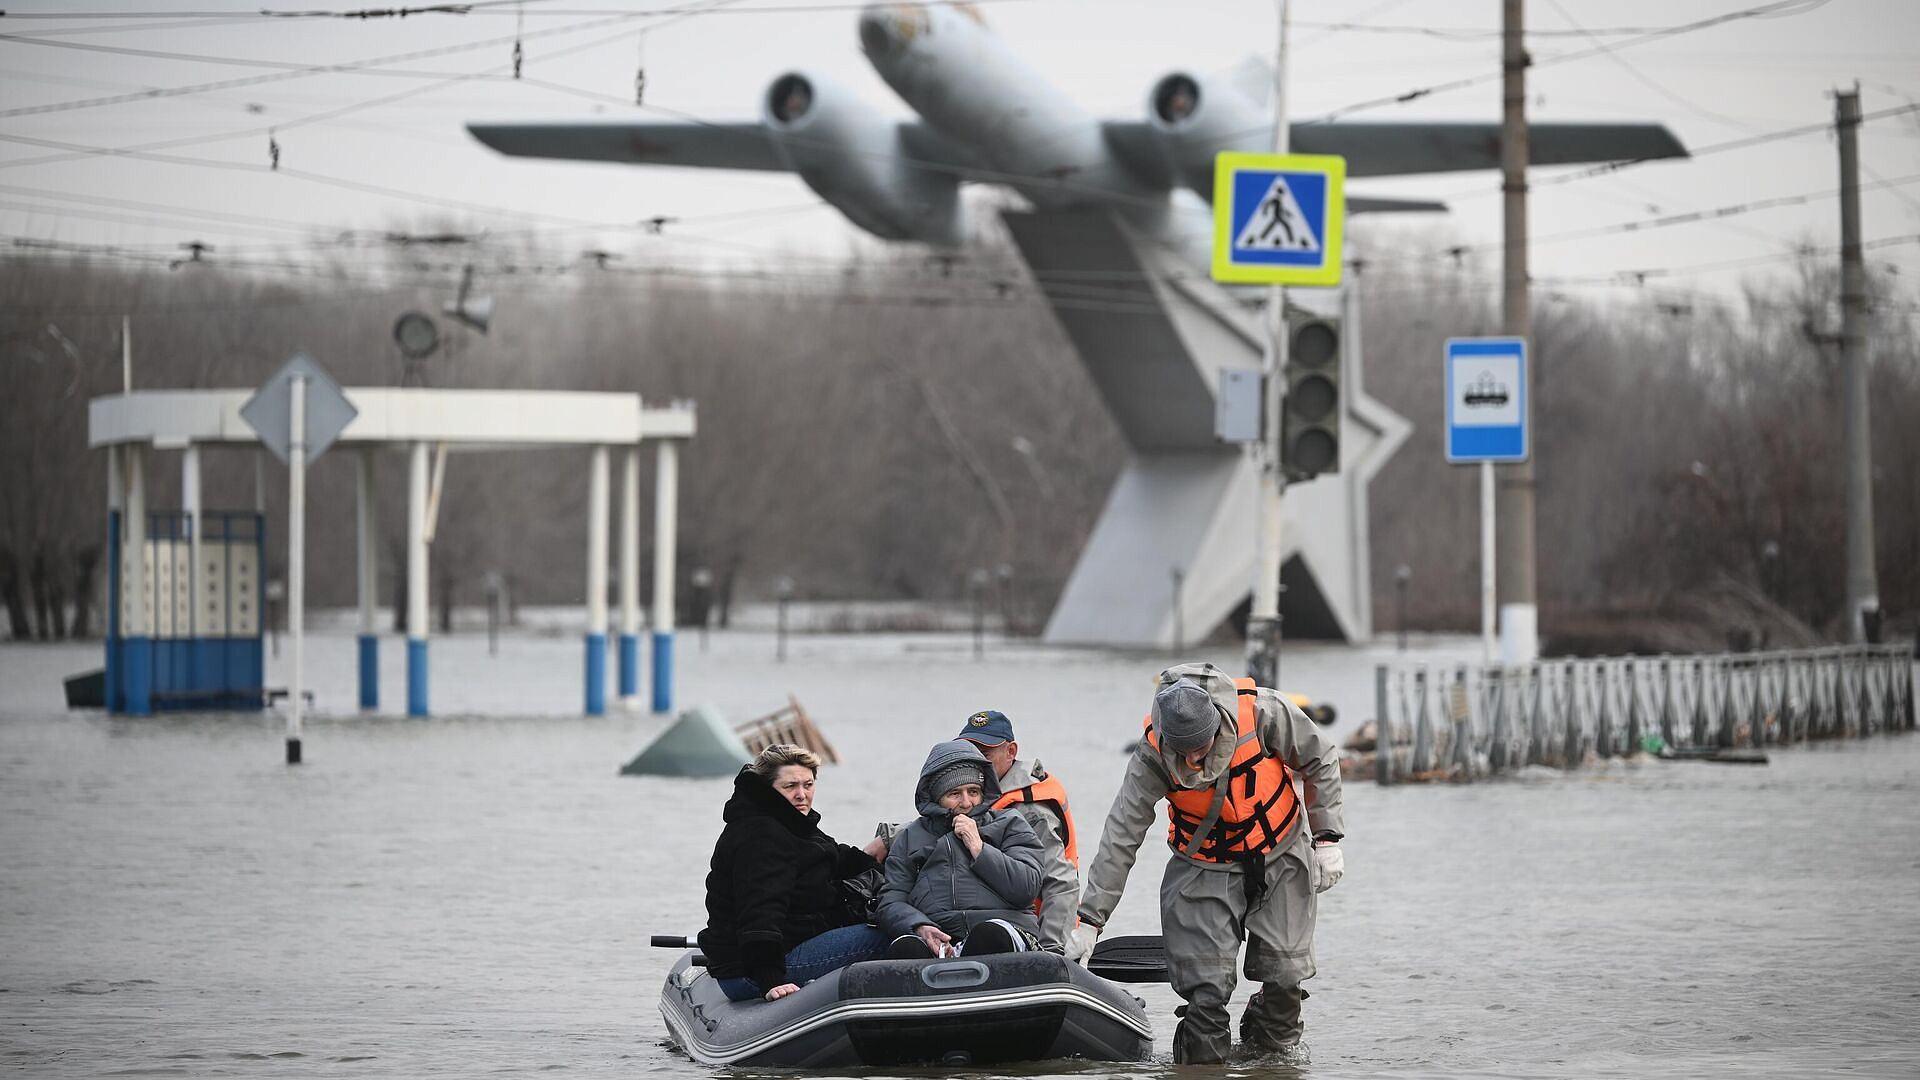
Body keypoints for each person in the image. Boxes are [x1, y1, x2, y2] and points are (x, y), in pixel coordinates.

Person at [1072, 661, 1347, 1063]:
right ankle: (1201, 1067)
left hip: (1281, 852)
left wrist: (1327, 838)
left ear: (1218, 724)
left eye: (1201, 747)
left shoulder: (1264, 713)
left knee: (1285, 978)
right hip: (1202, 865)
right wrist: (1091, 920)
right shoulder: (1153, 755)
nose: (1194, 758)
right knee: (1206, 994)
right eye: (1184, 751)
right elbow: (1121, 834)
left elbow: (1320, 758)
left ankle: (1268, 1055)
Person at [699, 744, 892, 1002]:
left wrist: (888, 850)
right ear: (769, 789)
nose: (802, 794)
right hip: (752, 972)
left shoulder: (789, 822)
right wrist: (770, 980)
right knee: (890, 933)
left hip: (785, 948)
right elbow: (760, 910)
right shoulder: (763, 836)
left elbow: (832, 857)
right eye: (790, 786)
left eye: (808, 785)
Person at [878, 740, 1045, 958]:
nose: (967, 803)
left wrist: (979, 848)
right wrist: (919, 925)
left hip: (1004, 930)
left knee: (989, 934)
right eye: (955, 794)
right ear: (937, 798)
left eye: (973, 791)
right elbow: (891, 900)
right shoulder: (910, 837)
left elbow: (1027, 888)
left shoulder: (1010, 823)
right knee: (906, 947)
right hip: (940, 937)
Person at [954, 709, 1083, 958]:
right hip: (985, 918)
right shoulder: (974, 793)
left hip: (1029, 929)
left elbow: (1060, 884)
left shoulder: (1032, 811)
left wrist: (1052, 952)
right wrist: (889, 837)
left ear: (1011, 752)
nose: (975, 762)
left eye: (985, 754)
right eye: (969, 753)